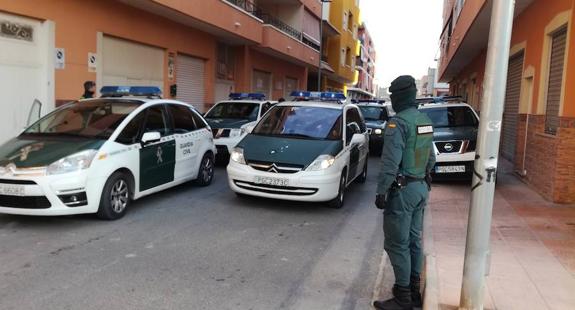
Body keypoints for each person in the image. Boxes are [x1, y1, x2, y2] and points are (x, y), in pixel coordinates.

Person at [373, 75, 435, 310]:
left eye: (392, 95)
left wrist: (381, 191)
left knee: (397, 243)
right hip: (420, 187)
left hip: (402, 190)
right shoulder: (424, 120)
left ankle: (402, 297)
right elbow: (431, 157)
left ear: (399, 97)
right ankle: (414, 291)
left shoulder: (397, 123)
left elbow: (390, 162)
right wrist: (426, 176)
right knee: (414, 241)